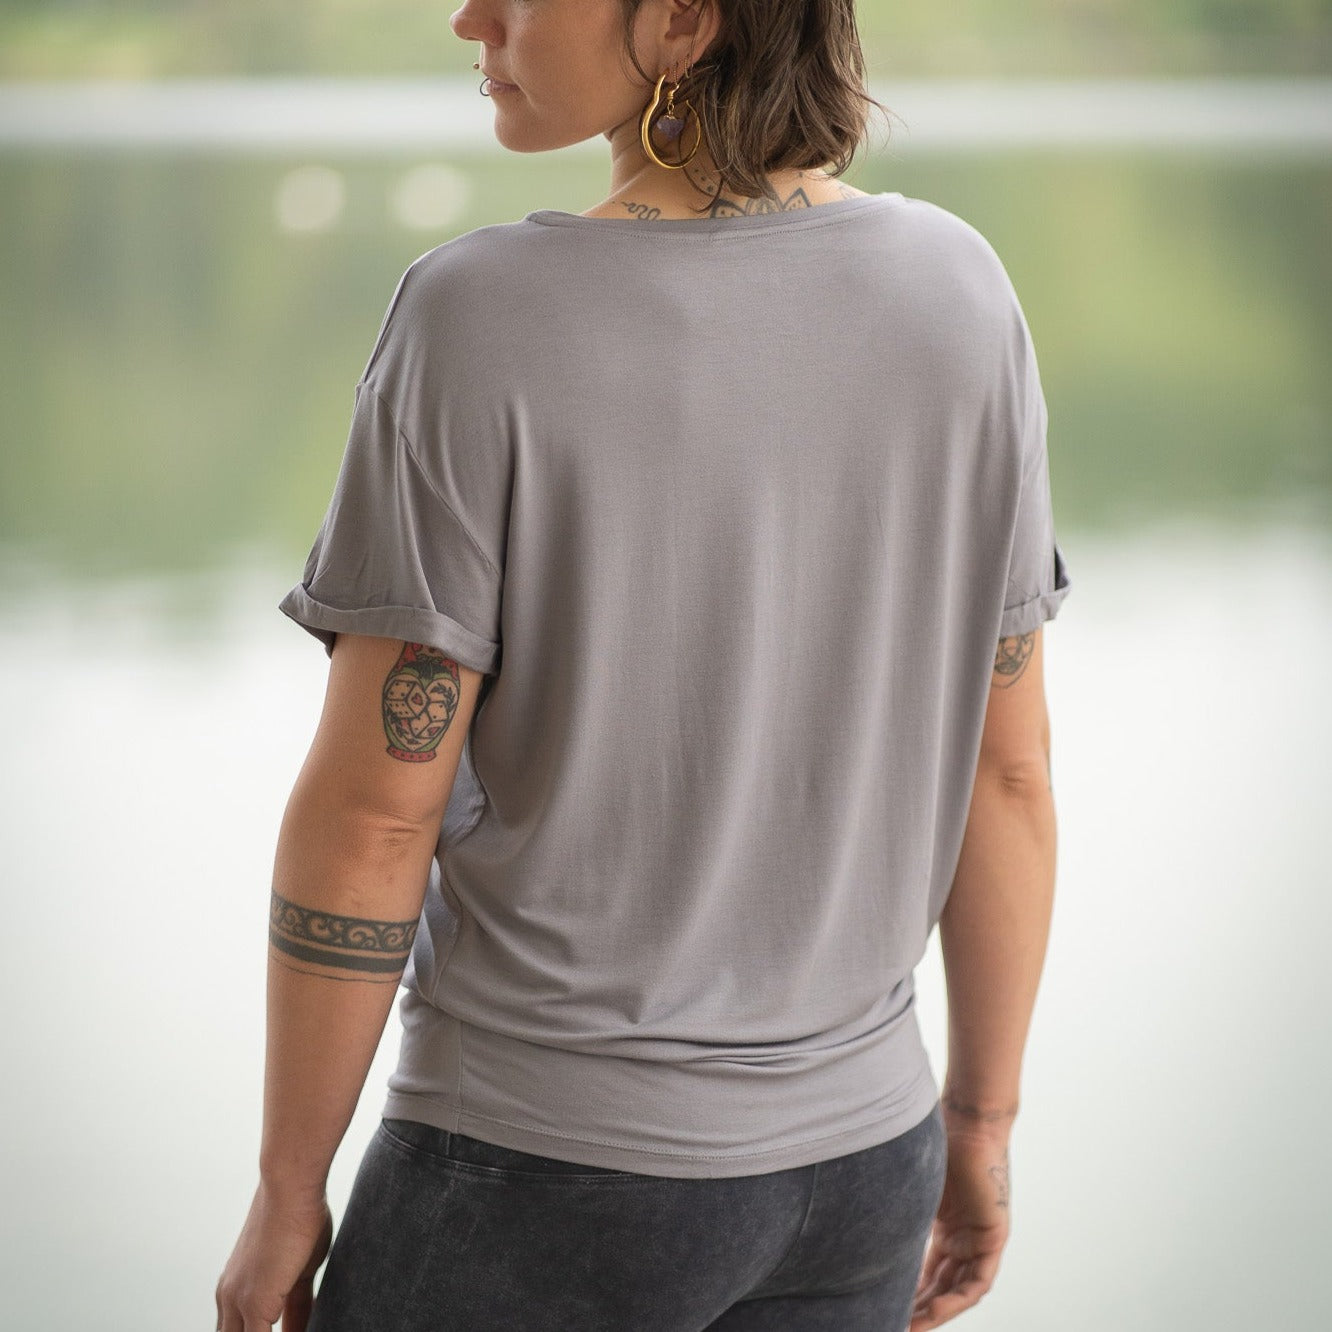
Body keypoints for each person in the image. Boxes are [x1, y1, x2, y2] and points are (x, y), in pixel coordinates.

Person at [215, 1, 1072, 1329]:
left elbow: (379, 812)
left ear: (681, 17)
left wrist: (286, 1186)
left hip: (541, 1173)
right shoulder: (961, 289)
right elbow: (1007, 777)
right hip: (860, 1173)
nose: (470, 18)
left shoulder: (479, 314)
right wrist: (983, 1123)